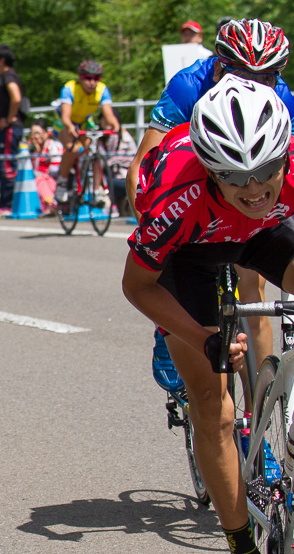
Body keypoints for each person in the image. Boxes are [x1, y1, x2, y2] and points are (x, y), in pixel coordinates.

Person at [122, 76, 294, 554]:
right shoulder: (177, 193)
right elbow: (139, 287)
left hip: (263, 236)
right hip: (190, 253)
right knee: (214, 407)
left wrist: (260, 200)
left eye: (265, 172)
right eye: (236, 177)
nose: (255, 187)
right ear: (209, 167)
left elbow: (265, 200)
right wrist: (201, 336)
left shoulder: (283, 175)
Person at [126, 18, 292, 377]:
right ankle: (172, 327)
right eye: (241, 73)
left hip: (248, 204)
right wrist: (158, 231)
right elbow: (143, 165)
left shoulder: (279, 95)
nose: (254, 83)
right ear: (219, 65)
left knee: (253, 288)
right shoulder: (189, 86)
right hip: (194, 198)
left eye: (267, 76)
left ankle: (260, 410)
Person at [53, 59, 121, 206]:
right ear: (81, 78)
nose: (92, 82)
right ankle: (62, 183)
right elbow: (65, 117)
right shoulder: (69, 88)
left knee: (95, 150)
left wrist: (116, 125)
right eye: (88, 78)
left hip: (84, 121)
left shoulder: (102, 90)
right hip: (64, 122)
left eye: (96, 78)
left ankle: (97, 189)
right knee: (73, 148)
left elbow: (108, 114)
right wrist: (70, 127)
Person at [0, 44, 25, 214]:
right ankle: (5, 202)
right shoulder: (6, 76)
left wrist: (9, 119)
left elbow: (16, 97)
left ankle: (8, 203)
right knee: (2, 163)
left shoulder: (8, 76)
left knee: (7, 165)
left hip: (10, 129)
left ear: (1, 60)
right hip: (6, 128)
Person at [28, 122, 63, 215]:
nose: (35, 136)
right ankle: (49, 205)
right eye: (32, 133)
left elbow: (56, 169)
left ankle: (52, 204)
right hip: (41, 181)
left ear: (45, 132)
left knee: (40, 179)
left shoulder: (53, 145)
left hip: (54, 181)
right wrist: (36, 152)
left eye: (37, 133)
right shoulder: (33, 148)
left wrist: (43, 174)